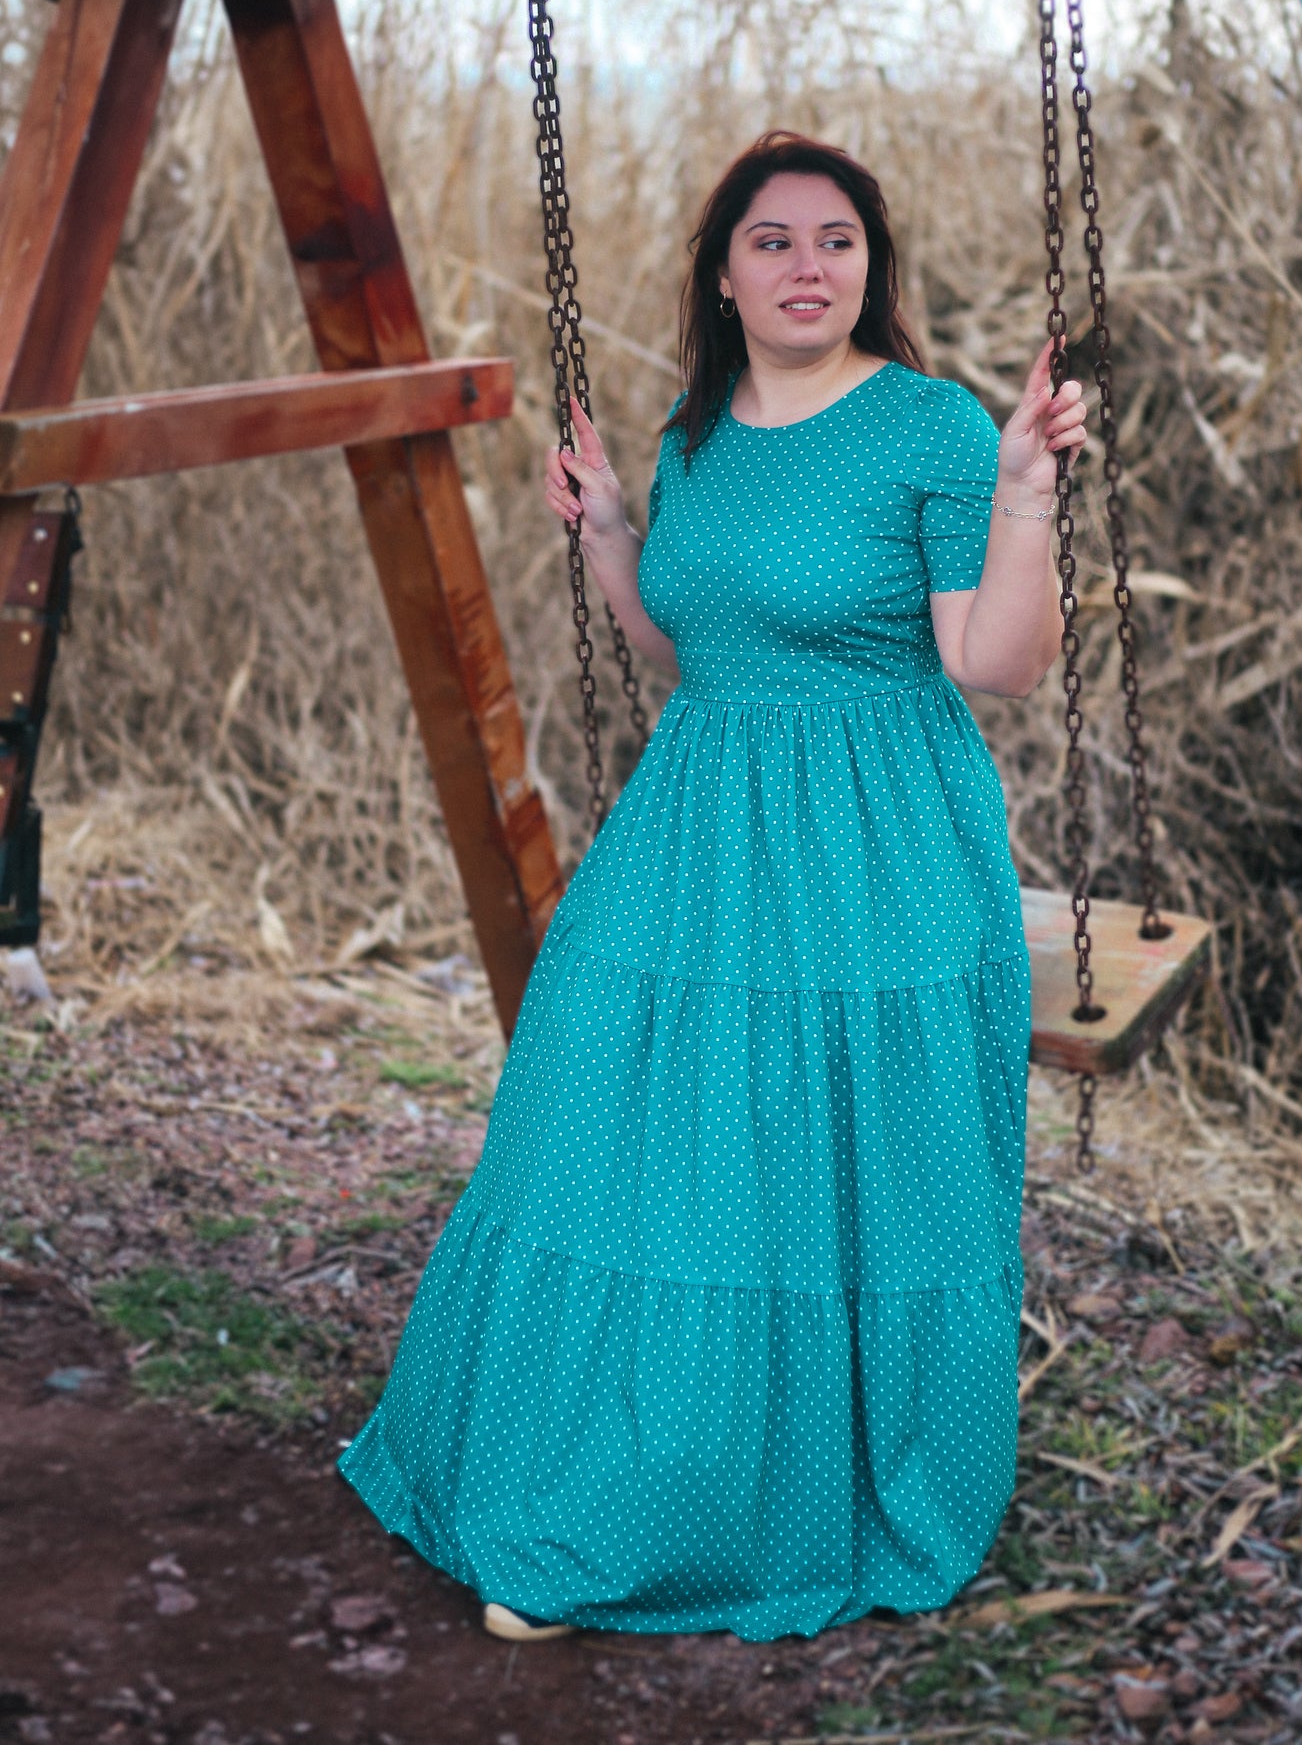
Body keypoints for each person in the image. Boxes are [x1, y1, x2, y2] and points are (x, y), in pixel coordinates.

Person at [339, 131, 1088, 1644]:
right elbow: (697, 649)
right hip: (694, 825)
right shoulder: (696, 433)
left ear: (871, 270)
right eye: (771, 241)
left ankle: (767, 1495)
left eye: (835, 241)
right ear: (723, 273)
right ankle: (596, 1469)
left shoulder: (934, 429)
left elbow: (992, 666)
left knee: (824, 1163)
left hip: (876, 843)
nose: (806, 267)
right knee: (611, 1130)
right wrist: (615, 536)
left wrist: (1020, 495)